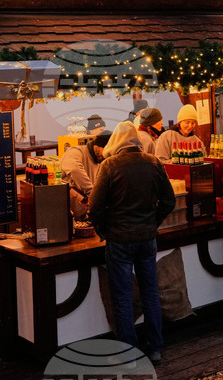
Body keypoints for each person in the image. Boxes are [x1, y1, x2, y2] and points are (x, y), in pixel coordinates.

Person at [89, 122, 175, 364]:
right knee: (150, 293)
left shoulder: (109, 165)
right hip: (147, 239)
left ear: (116, 142)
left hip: (119, 240)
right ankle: (155, 347)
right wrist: (153, 223)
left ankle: (129, 352)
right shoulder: (153, 162)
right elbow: (169, 201)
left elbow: (94, 208)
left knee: (123, 297)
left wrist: (103, 230)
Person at [60, 130, 112, 219]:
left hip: (87, 215)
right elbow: (74, 169)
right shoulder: (76, 152)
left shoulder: (101, 161)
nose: (105, 155)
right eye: (104, 151)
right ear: (96, 145)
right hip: (70, 215)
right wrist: (92, 194)